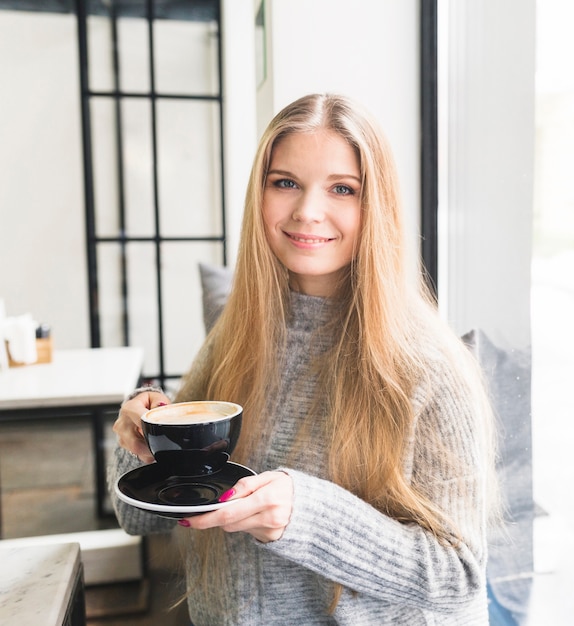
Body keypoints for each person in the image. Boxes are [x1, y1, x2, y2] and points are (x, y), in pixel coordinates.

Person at [109, 93, 498, 625]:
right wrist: (142, 435)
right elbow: (138, 516)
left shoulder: (430, 366)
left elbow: (459, 577)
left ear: (376, 206)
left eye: (343, 189)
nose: (306, 211)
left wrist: (306, 517)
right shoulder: (237, 334)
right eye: (285, 182)